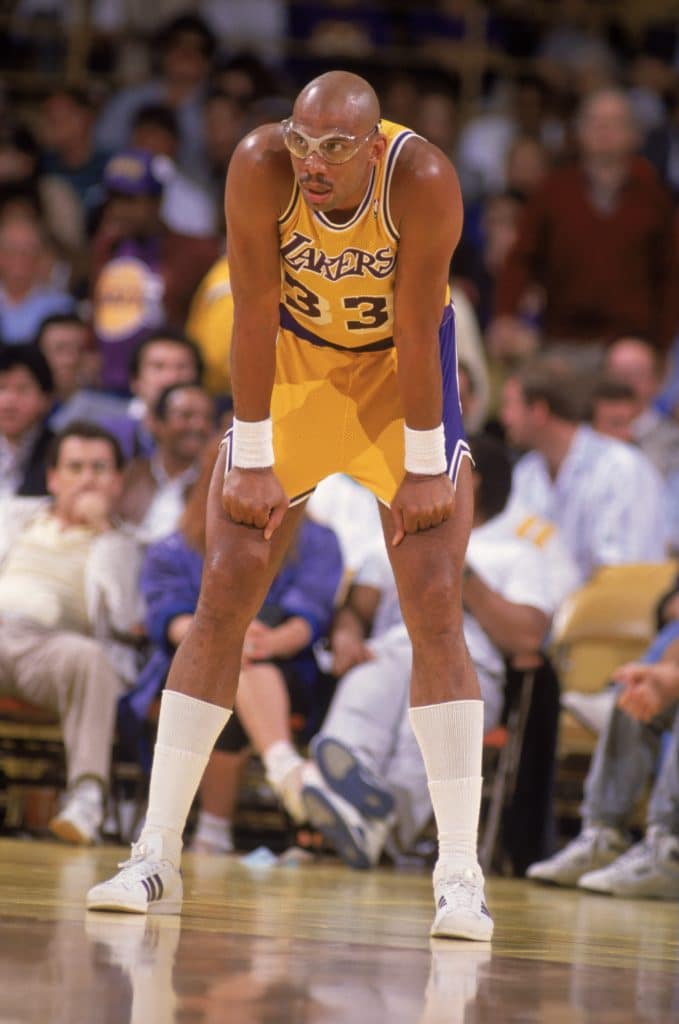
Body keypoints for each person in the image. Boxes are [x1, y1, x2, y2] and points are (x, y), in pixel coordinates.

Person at [87, 70, 493, 942]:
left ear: (373, 146)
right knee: (225, 586)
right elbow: (253, 308)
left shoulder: (421, 178)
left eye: (335, 148)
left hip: (395, 377)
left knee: (432, 599)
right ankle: (155, 852)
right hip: (296, 366)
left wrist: (426, 467)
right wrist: (253, 451)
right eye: (303, 142)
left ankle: (459, 873)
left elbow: (418, 325)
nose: (312, 162)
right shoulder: (258, 164)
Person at [0, 421, 144, 843]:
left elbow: (129, 619)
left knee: (87, 657)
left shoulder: (129, 543)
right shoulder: (11, 515)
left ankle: (86, 799)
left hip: (55, 651)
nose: (87, 479)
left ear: (117, 482)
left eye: (99, 469)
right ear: (52, 478)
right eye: (75, 467)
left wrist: (105, 532)